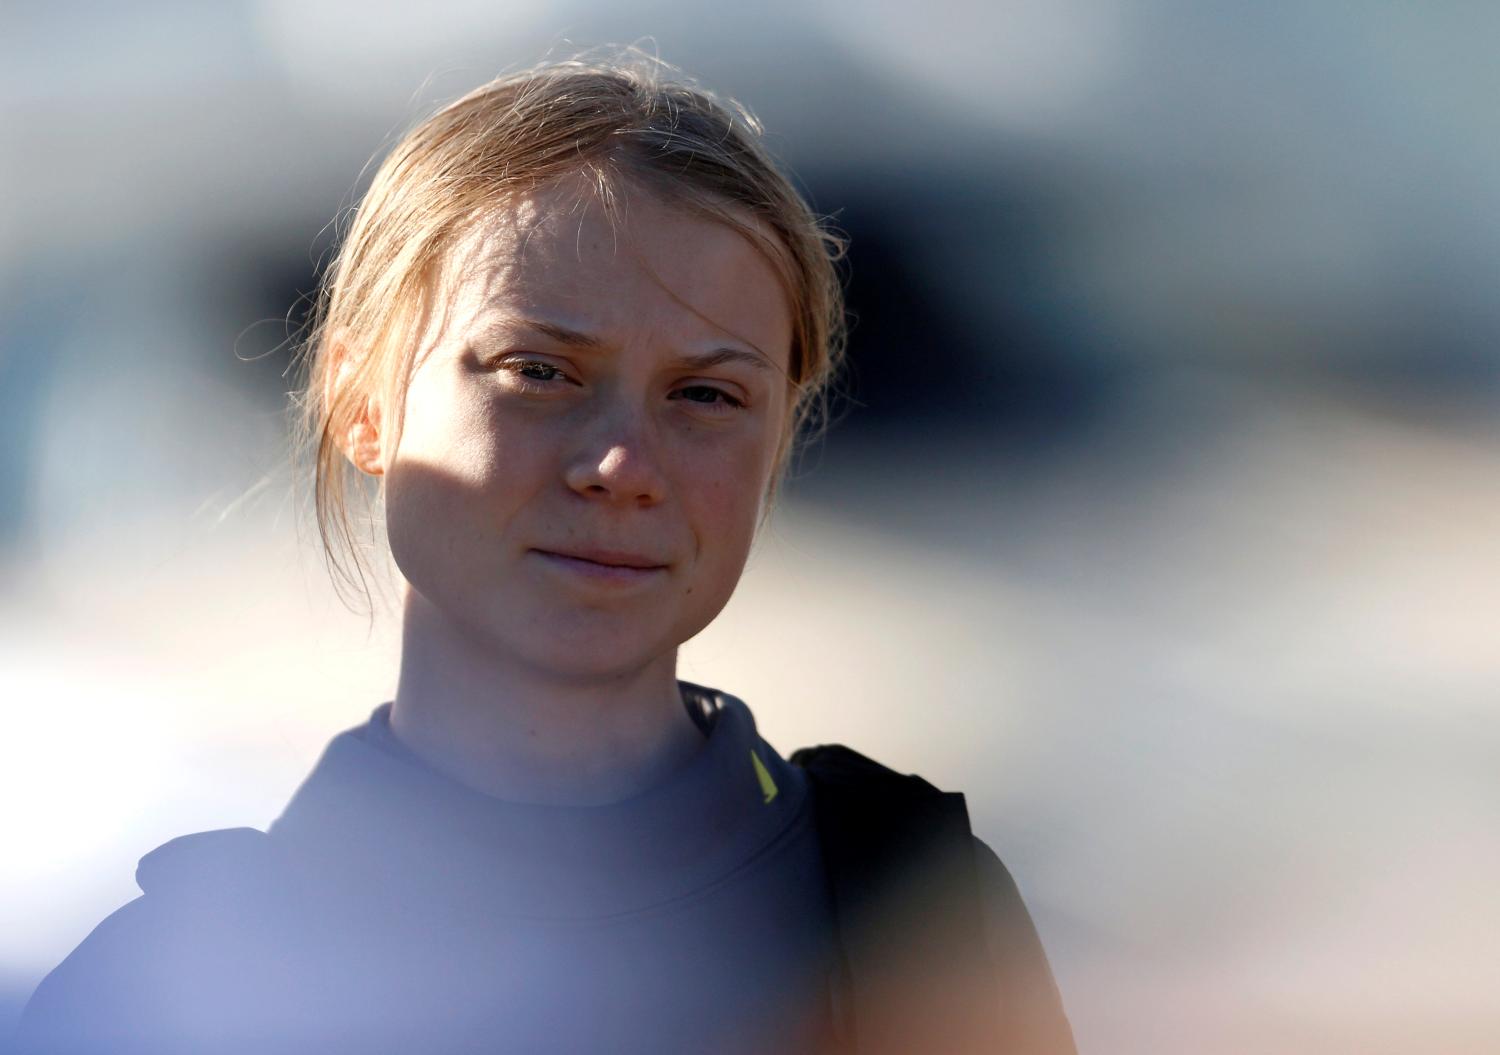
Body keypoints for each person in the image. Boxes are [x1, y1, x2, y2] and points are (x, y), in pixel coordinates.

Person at [15, 53, 1075, 1055]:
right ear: (360, 402)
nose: (621, 462)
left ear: (778, 443)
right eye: (538, 370)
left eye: (707, 395)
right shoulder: (164, 986)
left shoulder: (911, 912)